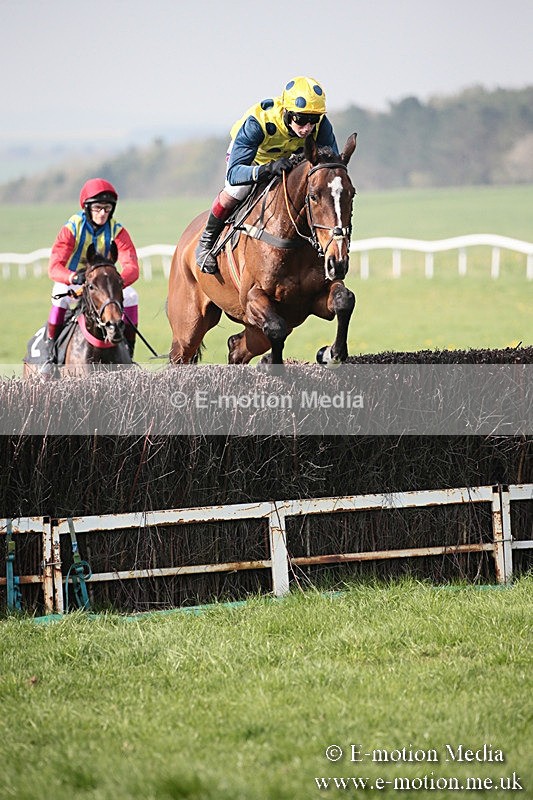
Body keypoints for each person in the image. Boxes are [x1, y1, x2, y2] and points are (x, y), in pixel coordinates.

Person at [195, 75, 339, 274]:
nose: (307, 128)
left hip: (290, 160)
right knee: (236, 190)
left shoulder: (321, 125)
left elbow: (332, 165)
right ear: (287, 112)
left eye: (313, 119)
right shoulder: (258, 122)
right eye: (301, 119)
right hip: (253, 160)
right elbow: (235, 173)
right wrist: (266, 169)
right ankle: (206, 243)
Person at [42, 178, 140, 370]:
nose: (103, 213)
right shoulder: (72, 228)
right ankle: (50, 353)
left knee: (132, 295)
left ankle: (128, 352)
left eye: (107, 208)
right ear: (87, 208)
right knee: (59, 295)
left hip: (102, 284)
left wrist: (118, 281)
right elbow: (54, 266)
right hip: (74, 279)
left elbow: (132, 266)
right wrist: (71, 277)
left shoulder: (117, 230)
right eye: (97, 208)